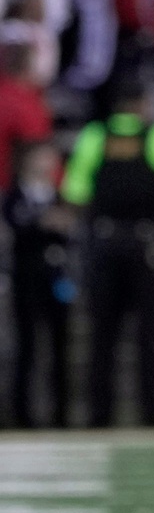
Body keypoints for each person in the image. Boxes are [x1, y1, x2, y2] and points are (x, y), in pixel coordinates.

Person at [62, 84, 154, 428]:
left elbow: (75, 196)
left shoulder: (95, 136)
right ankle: (153, 417)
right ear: (143, 104)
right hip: (148, 246)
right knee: (151, 336)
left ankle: (99, 418)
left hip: (104, 245)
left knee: (102, 336)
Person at [4, 136, 72, 427]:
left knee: (60, 348)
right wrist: (42, 223)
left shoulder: (59, 195)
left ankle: (62, 415)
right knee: (28, 348)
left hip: (57, 280)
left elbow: (68, 230)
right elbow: (20, 227)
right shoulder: (14, 196)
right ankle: (22, 415)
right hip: (27, 281)